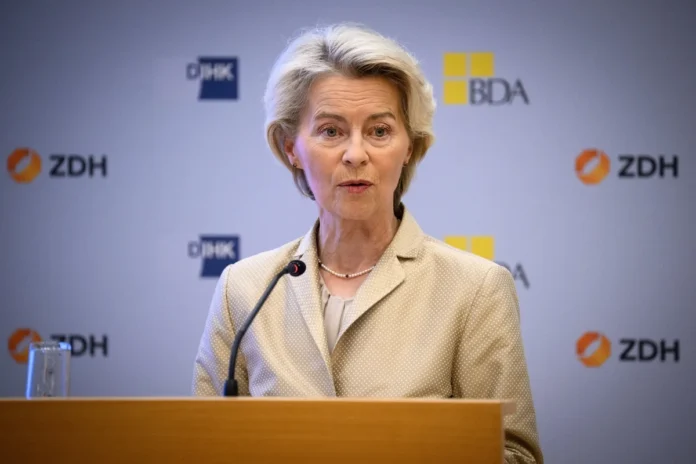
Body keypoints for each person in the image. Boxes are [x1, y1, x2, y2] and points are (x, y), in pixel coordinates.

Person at [192, 22, 543, 463]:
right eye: (331, 131)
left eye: (379, 131)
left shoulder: (474, 289)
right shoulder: (244, 289)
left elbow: (515, 455)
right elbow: (200, 445)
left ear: (410, 146)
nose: (356, 154)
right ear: (290, 147)